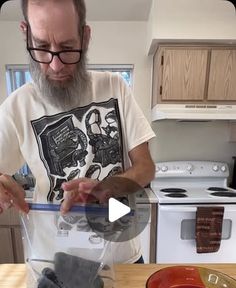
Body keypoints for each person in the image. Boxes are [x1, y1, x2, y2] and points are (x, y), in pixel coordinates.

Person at [0, 0, 155, 263]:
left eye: (67, 48)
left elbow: (146, 167)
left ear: (85, 37)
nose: (55, 66)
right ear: (26, 33)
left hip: (122, 258)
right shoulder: (16, 106)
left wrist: (105, 188)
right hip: (55, 263)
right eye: (41, 47)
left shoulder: (115, 87)